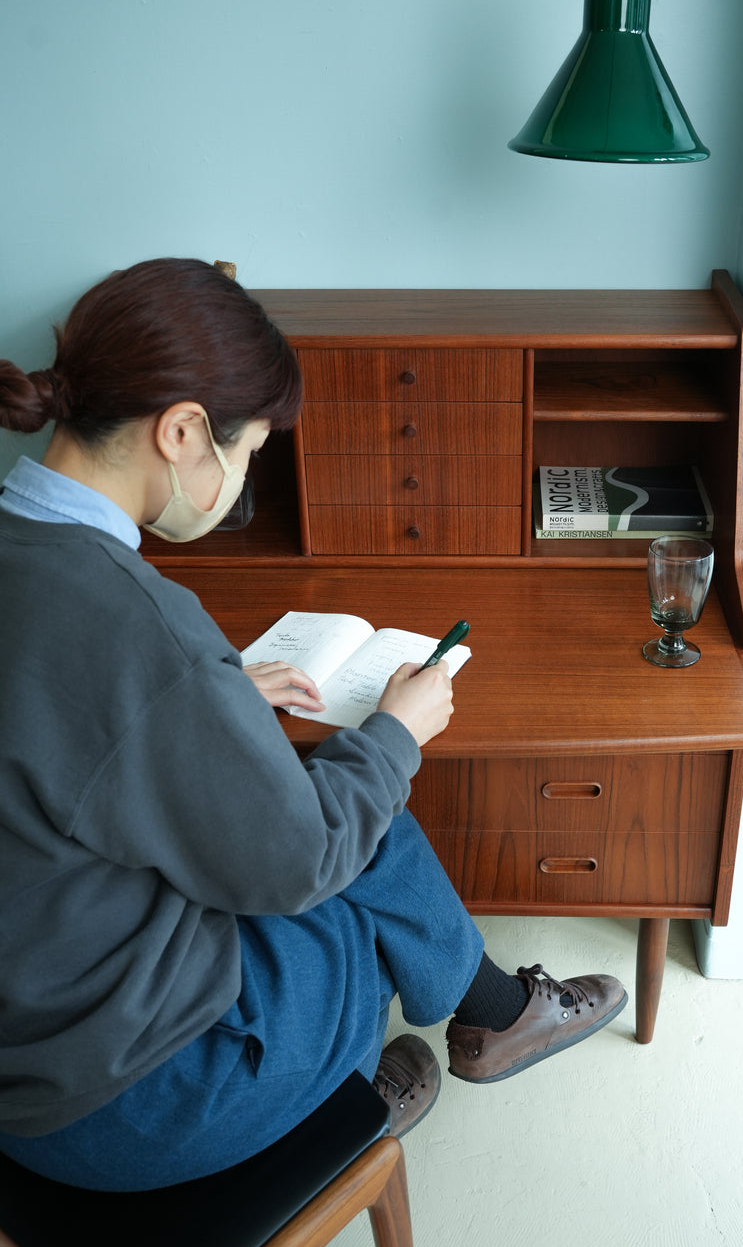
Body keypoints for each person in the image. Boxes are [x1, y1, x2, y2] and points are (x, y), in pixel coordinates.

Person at [0, 258, 626, 1192]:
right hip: (128, 1108)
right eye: (247, 448)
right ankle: (405, 1058)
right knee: (359, 882)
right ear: (179, 432)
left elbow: (64, 718)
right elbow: (299, 864)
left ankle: (488, 1008)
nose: (245, 475)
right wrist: (398, 731)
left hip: (30, 1043)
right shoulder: (143, 625)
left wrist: (211, 701)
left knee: (321, 815)